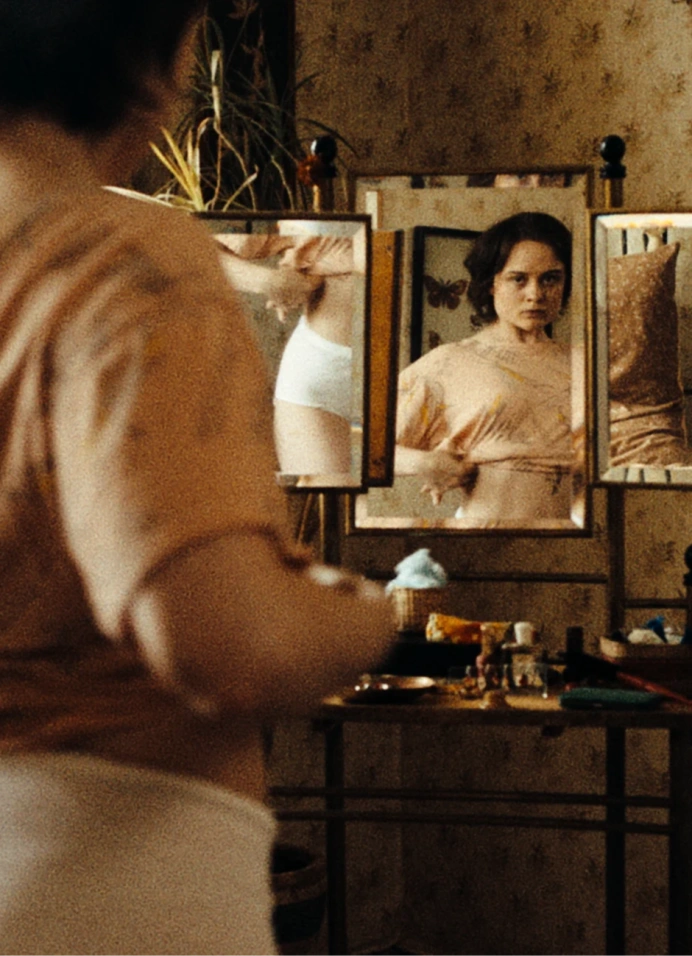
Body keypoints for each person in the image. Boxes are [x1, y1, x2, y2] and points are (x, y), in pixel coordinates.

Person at [0, 3, 395, 954]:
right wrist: (371, 615)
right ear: (158, 54)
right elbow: (231, 643)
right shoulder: (120, 258)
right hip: (103, 885)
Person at [395, 212, 576, 526]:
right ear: (492, 283)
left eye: (550, 278)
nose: (535, 294)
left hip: (575, 539)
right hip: (487, 534)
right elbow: (368, 449)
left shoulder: (583, 361)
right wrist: (427, 463)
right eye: (518, 279)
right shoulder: (450, 361)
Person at [216, 227, 358, 481]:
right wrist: (269, 282)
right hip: (321, 377)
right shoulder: (301, 216)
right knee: (328, 499)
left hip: (410, 375)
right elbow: (197, 252)